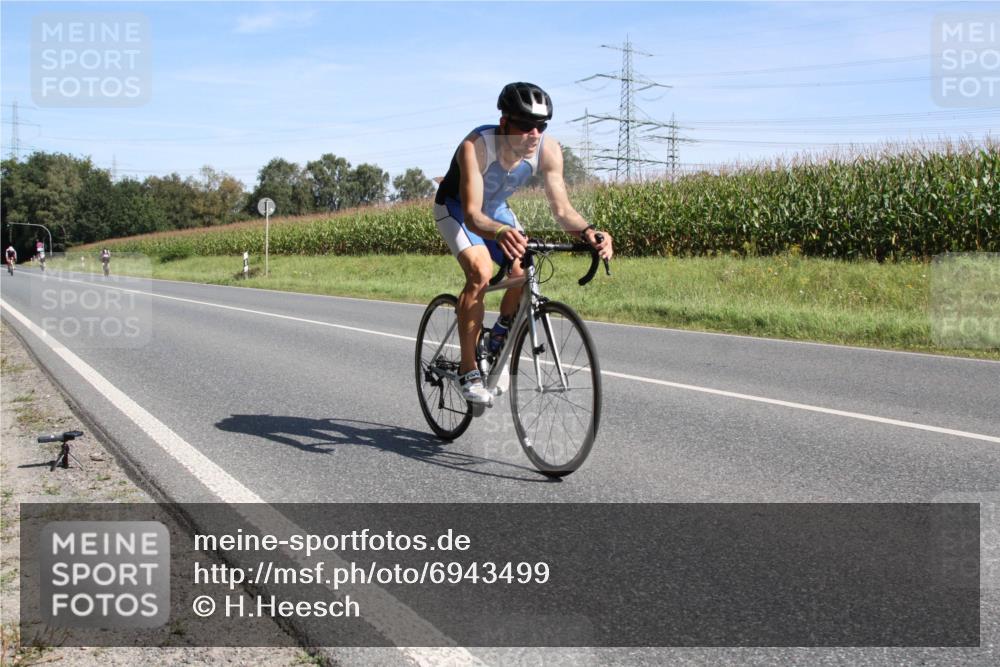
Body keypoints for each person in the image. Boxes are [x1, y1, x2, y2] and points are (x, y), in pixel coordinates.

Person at [434, 82, 613, 403]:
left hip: (496, 209)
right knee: (480, 271)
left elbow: (562, 210)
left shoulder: (548, 149)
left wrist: (589, 232)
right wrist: (501, 232)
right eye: (526, 126)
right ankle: (468, 370)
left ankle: (498, 338)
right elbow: (473, 215)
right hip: (457, 208)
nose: (534, 134)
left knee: (523, 268)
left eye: (541, 126)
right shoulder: (476, 147)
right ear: (504, 123)